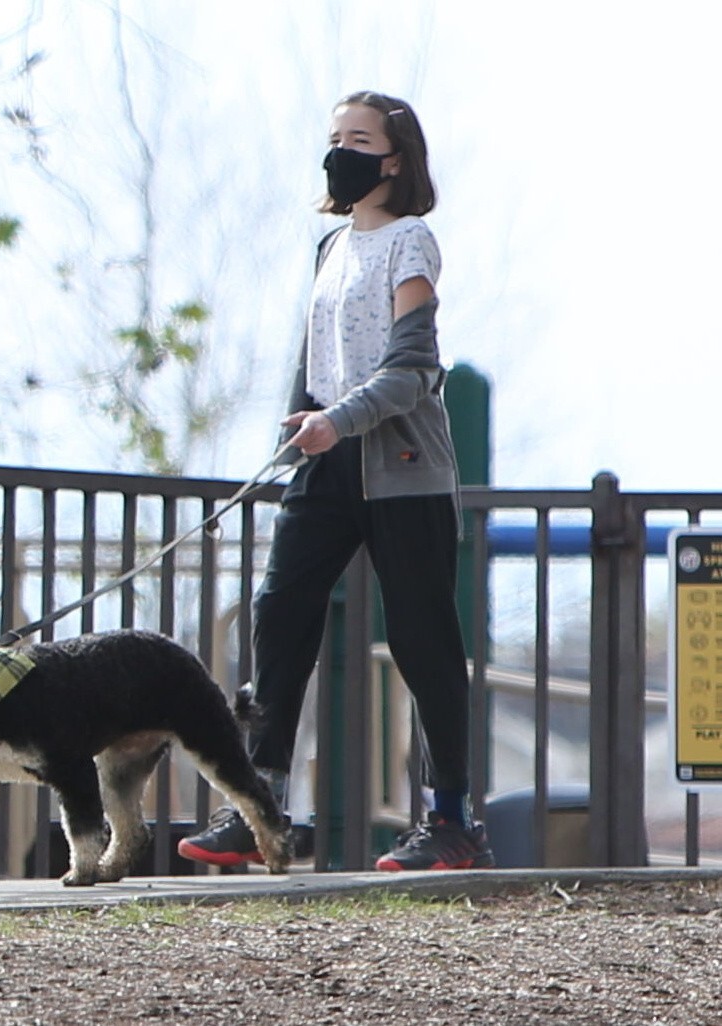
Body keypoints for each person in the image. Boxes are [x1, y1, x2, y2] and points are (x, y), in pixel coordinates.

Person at [178, 90, 494, 872]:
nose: (339, 153)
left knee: (421, 639)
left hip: (402, 466)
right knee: (280, 610)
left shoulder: (410, 242)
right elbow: (313, 360)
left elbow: (413, 371)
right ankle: (260, 803)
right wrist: (296, 436)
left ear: (394, 159)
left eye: (358, 140)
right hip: (325, 458)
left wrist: (338, 421)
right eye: (334, 138)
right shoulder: (330, 248)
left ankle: (451, 818)